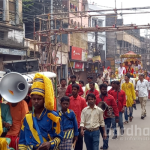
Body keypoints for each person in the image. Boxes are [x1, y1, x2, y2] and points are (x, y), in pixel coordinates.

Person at [19, 73, 63, 150]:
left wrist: (50, 144)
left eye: (39, 99)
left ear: (44, 99)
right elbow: (22, 141)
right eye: (34, 99)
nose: (36, 101)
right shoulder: (27, 118)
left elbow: (59, 137)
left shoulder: (53, 116)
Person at [96, 84, 119, 150]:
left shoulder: (111, 97)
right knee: (101, 132)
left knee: (106, 132)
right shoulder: (96, 97)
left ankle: (105, 147)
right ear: (100, 90)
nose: (104, 90)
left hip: (107, 118)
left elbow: (115, 107)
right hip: (98, 119)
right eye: (103, 89)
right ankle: (105, 144)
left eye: (105, 89)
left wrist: (117, 117)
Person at [69, 84, 87, 150]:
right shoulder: (69, 100)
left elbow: (85, 112)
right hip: (70, 125)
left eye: (75, 89)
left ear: (78, 90)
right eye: (72, 89)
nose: (73, 91)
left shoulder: (82, 100)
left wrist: (84, 124)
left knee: (79, 142)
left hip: (79, 124)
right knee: (70, 141)